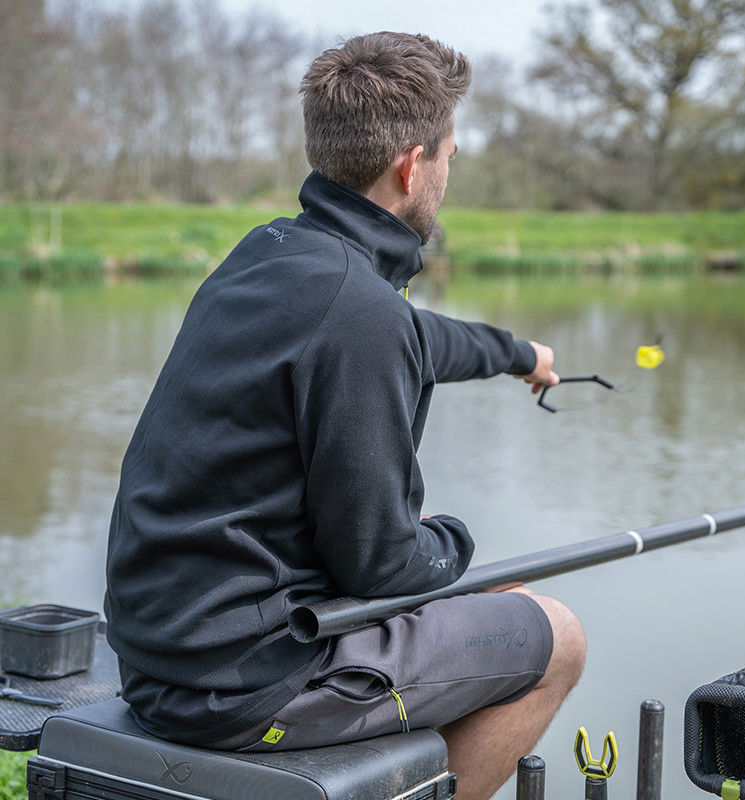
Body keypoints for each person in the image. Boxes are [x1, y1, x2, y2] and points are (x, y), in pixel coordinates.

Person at [104, 32, 585, 800]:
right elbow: (381, 564)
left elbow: (420, 337)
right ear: (411, 164)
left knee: (482, 592)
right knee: (556, 634)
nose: (449, 174)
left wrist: (518, 352)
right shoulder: (359, 312)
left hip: (166, 653)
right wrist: (453, 541)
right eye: (451, 156)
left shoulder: (273, 254)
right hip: (246, 683)